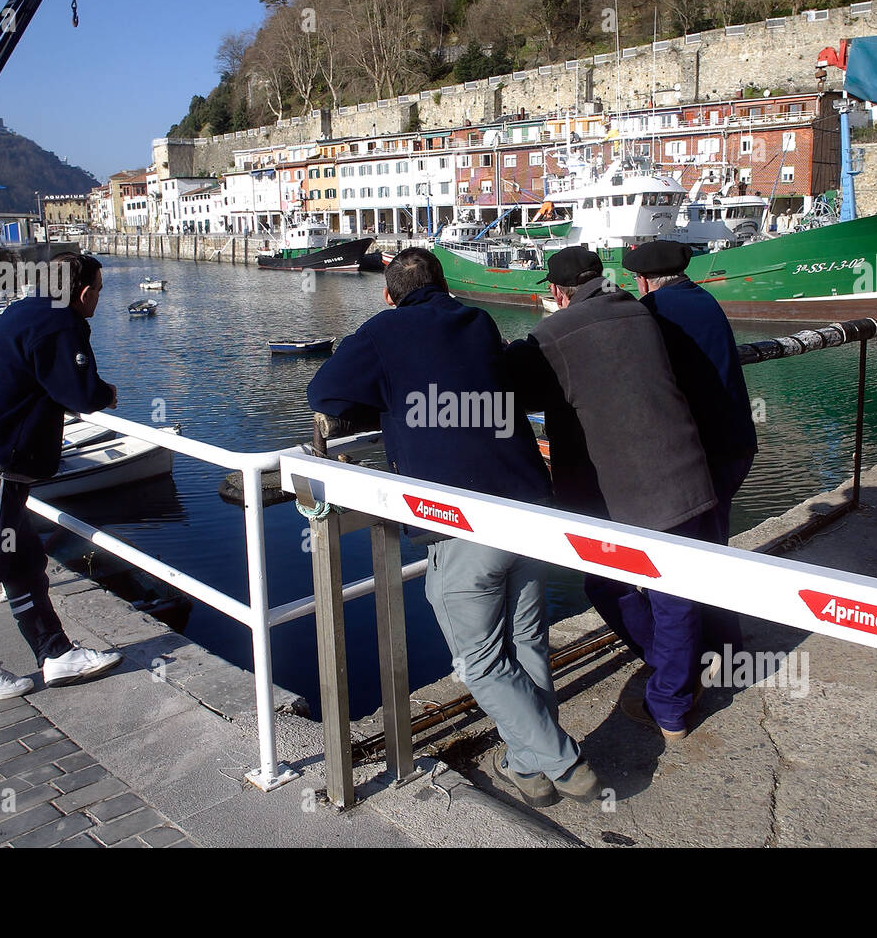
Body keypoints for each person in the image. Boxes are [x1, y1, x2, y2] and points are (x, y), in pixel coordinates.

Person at [307, 248, 599, 808]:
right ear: (443, 286)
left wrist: (390, 400)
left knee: (479, 661)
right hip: (531, 505)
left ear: (389, 294)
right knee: (525, 641)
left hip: (465, 520)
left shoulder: (382, 331)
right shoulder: (480, 322)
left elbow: (327, 394)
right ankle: (527, 767)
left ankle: (564, 762)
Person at [504, 246, 718, 741]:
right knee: (674, 594)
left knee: (607, 584)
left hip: (618, 493)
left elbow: (512, 383)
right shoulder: (641, 312)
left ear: (558, 292)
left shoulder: (554, 333)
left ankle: (668, 690)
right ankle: (673, 695)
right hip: (684, 472)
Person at [0, 252, 122, 700]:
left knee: (23, 564)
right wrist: (108, 392)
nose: (99, 297)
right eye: (99, 289)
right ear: (83, 292)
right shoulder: (61, 322)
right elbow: (81, 392)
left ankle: (56, 653)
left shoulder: (26, 310)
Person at [623, 240, 758, 656]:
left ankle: (696, 656)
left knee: (681, 562)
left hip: (699, 454)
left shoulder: (654, 312)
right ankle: (725, 644)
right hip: (735, 443)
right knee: (712, 547)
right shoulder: (706, 300)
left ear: (644, 280)